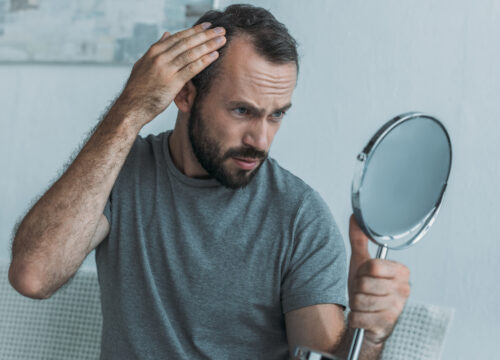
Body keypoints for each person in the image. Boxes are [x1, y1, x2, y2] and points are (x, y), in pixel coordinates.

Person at [8, 4, 410, 360]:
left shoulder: (300, 217)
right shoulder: (121, 173)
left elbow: (322, 355)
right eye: (241, 110)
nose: (261, 140)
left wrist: (368, 335)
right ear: (184, 95)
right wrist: (129, 110)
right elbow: (33, 276)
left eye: (276, 115)